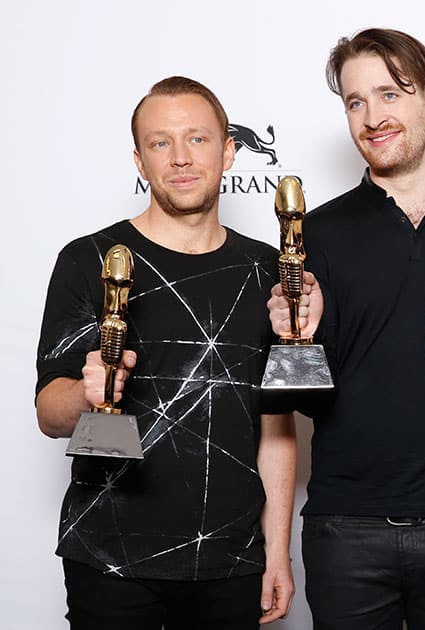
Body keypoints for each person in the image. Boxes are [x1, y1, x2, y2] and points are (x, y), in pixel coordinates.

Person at [35, 76, 296, 629]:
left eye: (198, 139)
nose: (180, 158)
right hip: (109, 559)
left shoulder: (271, 271)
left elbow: (276, 426)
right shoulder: (89, 259)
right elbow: (49, 414)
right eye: (160, 143)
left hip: (231, 561)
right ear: (139, 160)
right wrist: (86, 395)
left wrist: (277, 551)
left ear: (228, 152)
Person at [265, 29, 425, 630]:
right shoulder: (316, 235)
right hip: (346, 528)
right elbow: (295, 405)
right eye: (355, 102)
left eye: (389, 95)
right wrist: (296, 343)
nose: (372, 117)